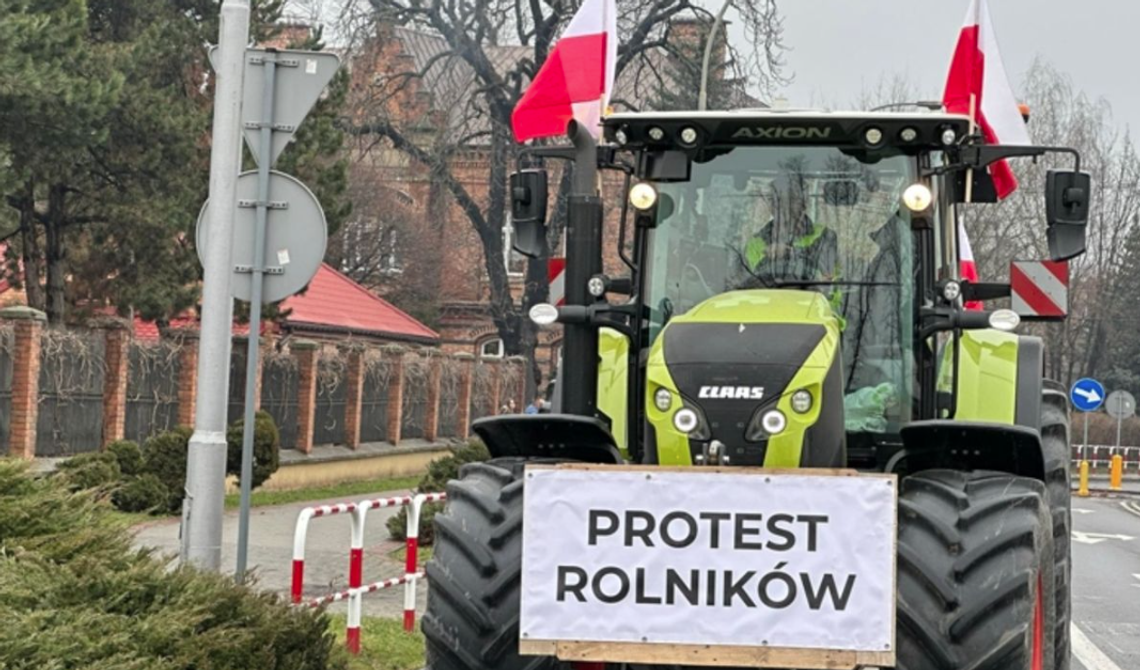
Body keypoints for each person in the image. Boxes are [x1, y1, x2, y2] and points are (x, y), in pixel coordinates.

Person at [740, 170, 840, 287]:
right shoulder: (755, 244)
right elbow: (747, 284)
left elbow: (828, 280)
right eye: (780, 200)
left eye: (792, 200)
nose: (786, 207)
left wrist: (790, 253)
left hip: (814, 303)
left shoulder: (825, 236)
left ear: (804, 203)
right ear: (772, 207)